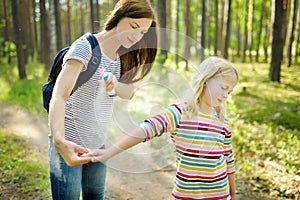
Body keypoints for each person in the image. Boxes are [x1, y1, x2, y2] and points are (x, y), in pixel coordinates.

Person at [85, 56, 239, 200]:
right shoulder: (180, 114)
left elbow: (228, 160)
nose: (226, 95)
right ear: (205, 80)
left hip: (219, 195)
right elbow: (144, 130)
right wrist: (110, 152)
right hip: (185, 195)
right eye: (224, 87)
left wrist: (233, 194)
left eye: (229, 91)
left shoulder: (222, 122)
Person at [48, 0, 158, 199]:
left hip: (98, 143)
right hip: (69, 141)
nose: (136, 36)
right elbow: (59, 96)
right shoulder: (85, 48)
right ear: (118, 16)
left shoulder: (122, 54)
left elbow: (129, 93)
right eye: (134, 27)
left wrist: (116, 84)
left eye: (143, 32)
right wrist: (59, 140)